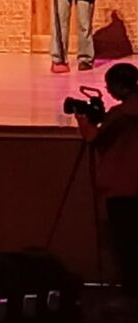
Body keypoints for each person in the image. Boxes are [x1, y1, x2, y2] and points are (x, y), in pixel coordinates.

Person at [76, 62, 138, 299]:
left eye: (110, 86)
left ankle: (131, 298)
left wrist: (84, 121)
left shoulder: (120, 115)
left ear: (119, 86)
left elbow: (95, 138)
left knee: (126, 247)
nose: (108, 90)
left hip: (122, 189)